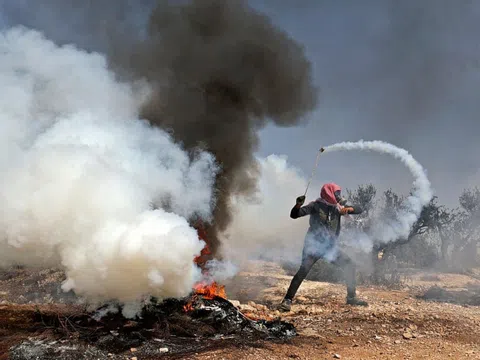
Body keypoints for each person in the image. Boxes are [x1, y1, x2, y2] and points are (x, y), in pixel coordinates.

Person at [278, 182, 368, 312]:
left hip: (329, 248)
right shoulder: (315, 205)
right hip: (313, 246)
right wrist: (298, 204)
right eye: (336, 193)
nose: (338, 196)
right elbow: (294, 215)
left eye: (339, 193)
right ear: (328, 193)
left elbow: (360, 209)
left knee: (349, 264)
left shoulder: (337, 207)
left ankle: (351, 297)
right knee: (303, 270)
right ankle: (287, 300)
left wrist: (349, 209)